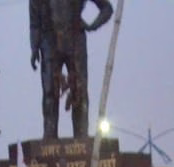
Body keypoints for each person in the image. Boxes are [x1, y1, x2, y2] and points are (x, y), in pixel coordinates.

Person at [29, 0, 114, 139]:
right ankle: (50, 138)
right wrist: (34, 47)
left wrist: (93, 26)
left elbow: (107, 8)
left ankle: (81, 136)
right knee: (50, 92)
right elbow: (34, 23)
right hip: (49, 42)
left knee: (79, 92)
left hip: (75, 40)